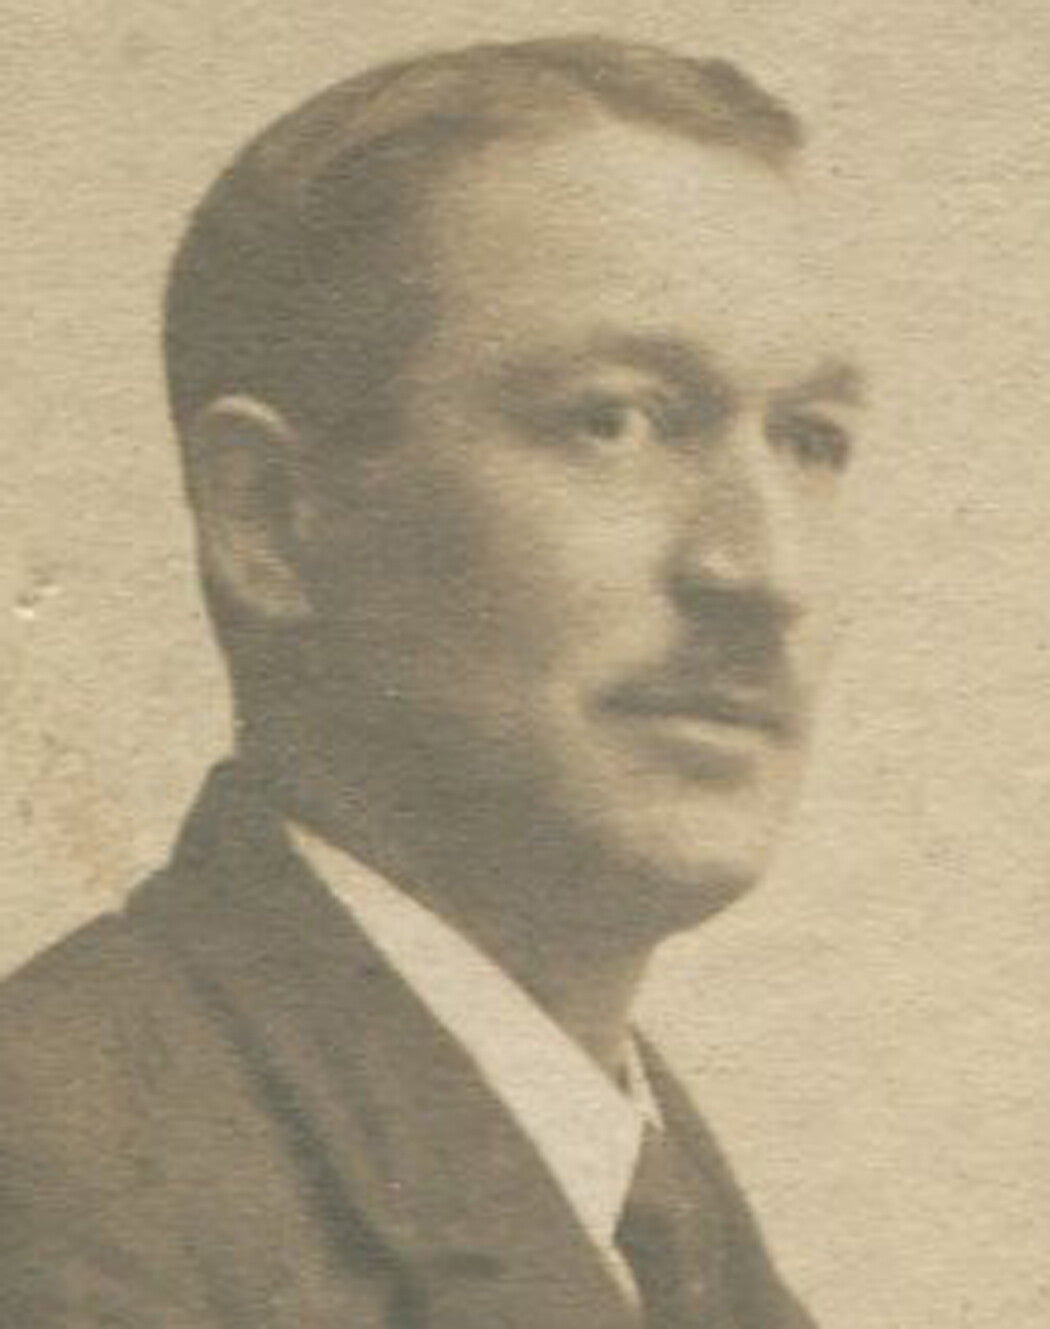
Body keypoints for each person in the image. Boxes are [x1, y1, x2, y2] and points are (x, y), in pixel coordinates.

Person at [0, 34, 866, 1327]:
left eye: (810, 441)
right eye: (612, 419)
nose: (762, 568)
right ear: (272, 519)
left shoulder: (663, 1229)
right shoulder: (60, 1193)